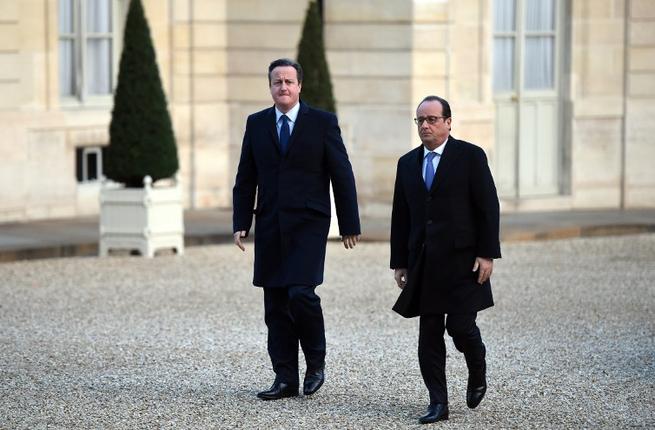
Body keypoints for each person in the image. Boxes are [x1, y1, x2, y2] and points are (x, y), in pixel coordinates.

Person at [232, 58, 361, 401]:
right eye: (277, 82)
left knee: (301, 294)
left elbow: (342, 174)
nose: (283, 87)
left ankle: (316, 363)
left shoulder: (322, 122)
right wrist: (241, 222)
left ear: (299, 86)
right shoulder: (257, 124)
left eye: (289, 81)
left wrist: (349, 223)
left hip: (308, 223)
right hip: (271, 224)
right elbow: (246, 177)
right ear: (270, 86)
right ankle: (285, 377)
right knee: (275, 303)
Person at [390, 95, 501, 424]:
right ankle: (438, 401)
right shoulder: (407, 163)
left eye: (432, 119)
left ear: (448, 122)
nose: (425, 125)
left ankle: (477, 364)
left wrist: (487, 254)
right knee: (429, 333)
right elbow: (402, 216)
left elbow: (487, 207)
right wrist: (400, 261)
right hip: (424, 262)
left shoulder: (470, 157)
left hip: (463, 260)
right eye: (420, 120)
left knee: (461, 327)